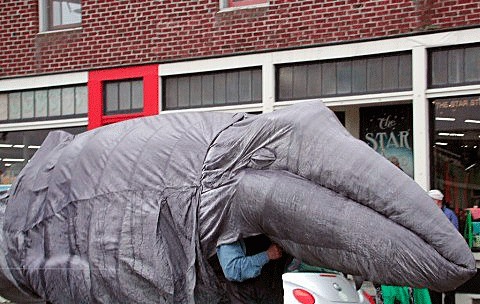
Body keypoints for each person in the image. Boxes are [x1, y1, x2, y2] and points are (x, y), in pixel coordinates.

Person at [216, 234, 286, 303]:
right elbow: (232, 270)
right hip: (243, 294)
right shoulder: (230, 231)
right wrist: (267, 255)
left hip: (271, 290)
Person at [428, 189, 459, 304]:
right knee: (434, 289)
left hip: (448, 257)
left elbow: (455, 235)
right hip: (432, 256)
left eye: (431, 200)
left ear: (437, 201)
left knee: (449, 289)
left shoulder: (449, 215)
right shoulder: (427, 214)